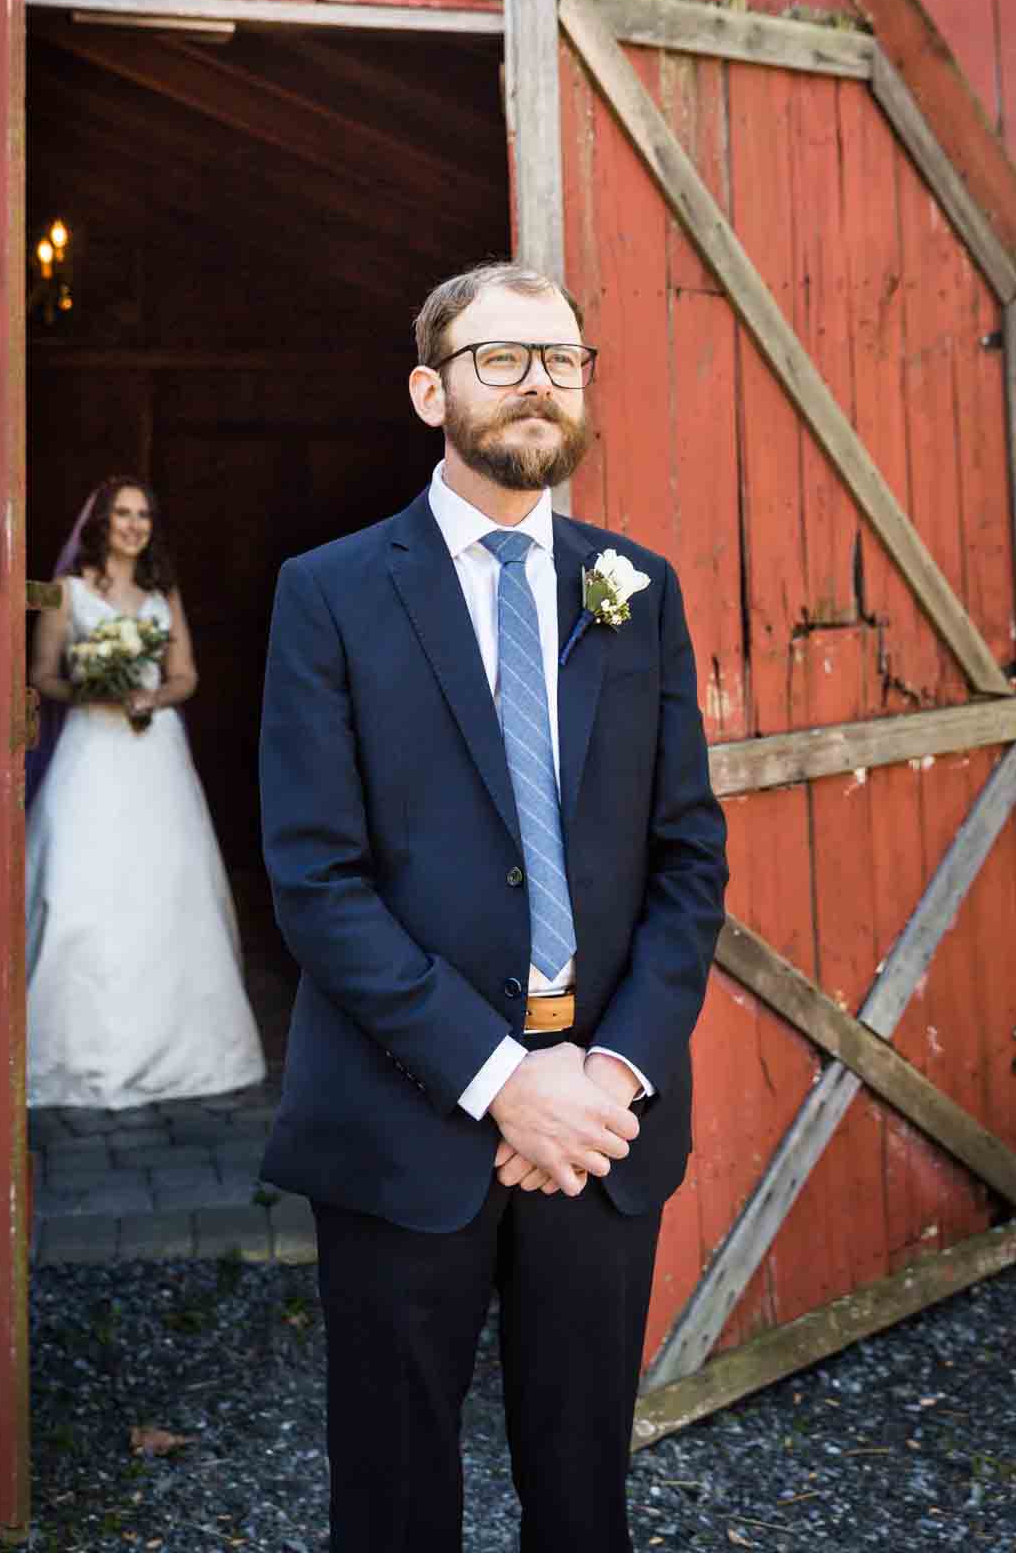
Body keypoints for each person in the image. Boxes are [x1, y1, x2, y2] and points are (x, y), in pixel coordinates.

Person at [258, 263, 728, 1553]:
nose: (536, 381)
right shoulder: (332, 591)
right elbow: (315, 878)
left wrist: (608, 1073)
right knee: (397, 1498)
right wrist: (498, 1080)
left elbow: (689, 859)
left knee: (582, 1494)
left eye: (562, 358)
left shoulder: (636, 588)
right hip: (407, 1113)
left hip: (597, 1123)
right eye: (500, 356)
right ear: (431, 389)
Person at [25, 476, 265, 1108]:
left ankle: (188, 1050)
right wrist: (91, 690)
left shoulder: (162, 591)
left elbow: (185, 673)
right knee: (79, 889)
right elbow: (42, 673)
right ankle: (76, 1057)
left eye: (143, 515)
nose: (133, 525)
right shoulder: (68, 592)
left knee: (168, 889)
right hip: (88, 749)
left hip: (155, 752)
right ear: (100, 522)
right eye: (121, 514)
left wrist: (150, 695)